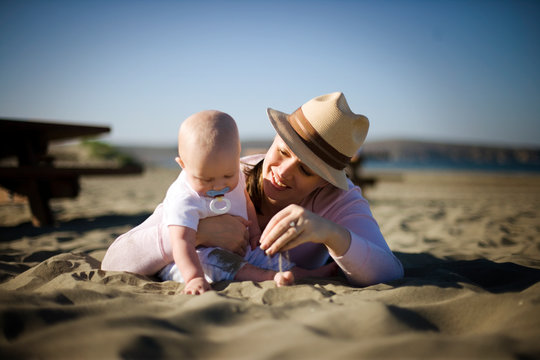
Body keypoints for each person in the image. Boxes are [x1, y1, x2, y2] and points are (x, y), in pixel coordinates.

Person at [103, 92, 404, 289]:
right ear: (274, 137)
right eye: (284, 152)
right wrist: (200, 234)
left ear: (326, 181)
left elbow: (389, 271)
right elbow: (114, 262)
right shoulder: (221, 176)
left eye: (306, 170)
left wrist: (329, 233)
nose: (281, 173)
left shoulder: (339, 200)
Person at [102, 110, 334, 295]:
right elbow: (181, 243)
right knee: (218, 263)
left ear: (238, 156)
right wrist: (194, 278)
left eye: (227, 175)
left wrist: (253, 230)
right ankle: (268, 278)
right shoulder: (183, 198)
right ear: (182, 165)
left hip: (236, 245)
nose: (219, 185)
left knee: (267, 256)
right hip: (193, 257)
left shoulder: (237, 175)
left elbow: (245, 200)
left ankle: (302, 273)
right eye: (207, 179)